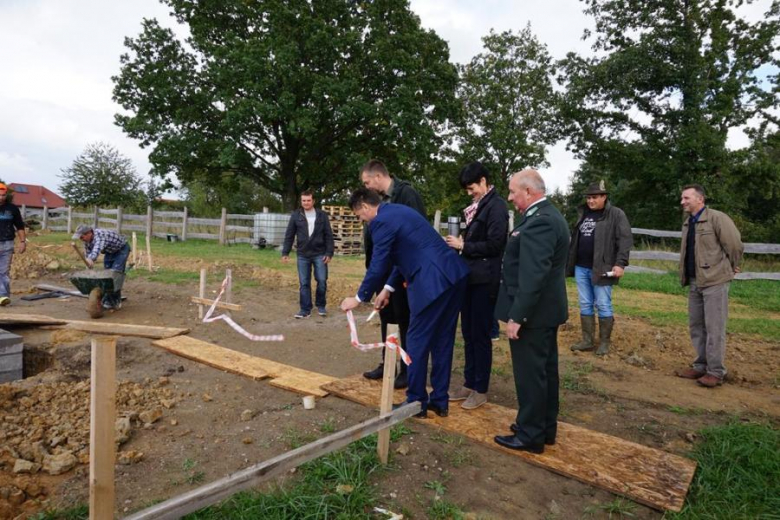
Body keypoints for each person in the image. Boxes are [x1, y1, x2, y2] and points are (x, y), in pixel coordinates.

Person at [341, 188, 469, 418]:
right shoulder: (400, 212)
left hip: (431, 283)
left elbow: (379, 262)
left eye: (359, 216)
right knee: (442, 340)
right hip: (453, 277)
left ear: (365, 207)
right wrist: (387, 289)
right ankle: (440, 400)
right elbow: (402, 256)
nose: (362, 221)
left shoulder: (380, 223)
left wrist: (359, 297)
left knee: (416, 340)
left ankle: (416, 401)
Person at [493, 170, 568, 454]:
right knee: (544, 372)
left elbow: (533, 274)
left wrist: (517, 316)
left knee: (531, 375)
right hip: (544, 312)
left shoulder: (541, 222)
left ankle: (530, 435)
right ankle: (543, 428)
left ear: (528, 192)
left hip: (534, 315)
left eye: (513, 192)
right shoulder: (546, 216)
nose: (510, 198)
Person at [445, 162, 508, 410]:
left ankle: (480, 389)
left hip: (485, 280)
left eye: (472, 188)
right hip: (470, 278)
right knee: (469, 333)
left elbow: (495, 245)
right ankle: (469, 383)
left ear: (483, 181)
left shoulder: (497, 207)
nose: (470, 193)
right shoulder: (478, 207)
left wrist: (464, 246)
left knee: (480, 335)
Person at [360, 159, 426, 389]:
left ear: (378, 177)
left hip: (401, 272)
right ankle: (388, 363)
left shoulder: (407, 195)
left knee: (405, 320)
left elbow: (417, 234)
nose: (366, 187)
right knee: (386, 318)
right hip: (382, 272)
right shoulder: (375, 201)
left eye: (367, 182)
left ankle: (408, 369)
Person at [676, 184, 743, 388]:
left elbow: (734, 245)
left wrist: (733, 266)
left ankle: (716, 371)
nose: (682, 202)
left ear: (700, 199)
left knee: (714, 327)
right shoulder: (689, 223)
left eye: (686, 198)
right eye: (682, 198)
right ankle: (701, 365)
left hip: (714, 281)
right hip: (695, 281)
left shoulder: (717, 218)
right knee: (697, 325)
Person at [567, 180, 632, 356]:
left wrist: (620, 263)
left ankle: (604, 342)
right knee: (585, 303)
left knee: (603, 304)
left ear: (604, 197)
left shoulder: (616, 214)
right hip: (581, 266)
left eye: (594, 197)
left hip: (602, 267)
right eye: (588, 197)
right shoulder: (583, 213)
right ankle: (587, 340)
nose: (590, 201)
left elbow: (625, 240)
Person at [281, 190, 335, 318]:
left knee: (322, 280)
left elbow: (328, 235)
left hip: (320, 253)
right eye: (304, 200)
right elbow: (289, 235)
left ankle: (321, 305)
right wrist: (285, 252)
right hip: (303, 254)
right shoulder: (296, 215)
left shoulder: (322, 215)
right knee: (304, 283)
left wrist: (329, 252)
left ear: (313, 201)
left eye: (308, 200)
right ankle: (305, 309)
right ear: (301, 201)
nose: (306, 203)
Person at [73, 224, 131, 310]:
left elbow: (96, 250)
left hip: (121, 249)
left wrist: (91, 259)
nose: (81, 239)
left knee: (114, 275)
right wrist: (88, 264)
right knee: (107, 276)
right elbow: (88, 253)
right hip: (109, 252)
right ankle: (108, 299)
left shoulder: (100, 236)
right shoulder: (87, 241)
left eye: (82, 237)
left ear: (89, 233)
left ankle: (115, 301)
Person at [0, 183, 27, 306]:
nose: (1, 197)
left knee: (4, 271)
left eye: (3, 195)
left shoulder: (12, 209)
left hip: (7, 244)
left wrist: (22, 242)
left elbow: (20, 226)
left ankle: (3, 296)